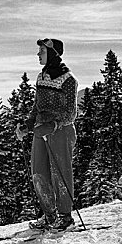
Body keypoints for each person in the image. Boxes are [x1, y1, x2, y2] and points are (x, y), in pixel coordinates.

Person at [16, 38, 78, 231]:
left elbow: (71, 113)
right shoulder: (41, 77)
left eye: (42, 50)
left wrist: (52, 125)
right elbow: (37, 107)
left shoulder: (68, 79)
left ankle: (65, 217)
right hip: (40, 129)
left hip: (60, 130)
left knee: (60, 172)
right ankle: (49, 215)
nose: (38, 54)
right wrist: (27, 125)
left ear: (53, 53)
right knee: (39, 172)